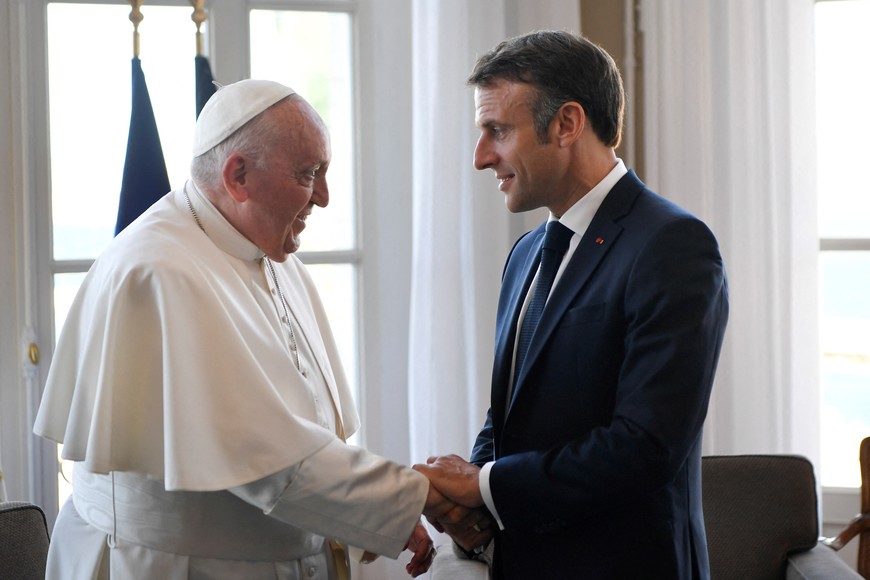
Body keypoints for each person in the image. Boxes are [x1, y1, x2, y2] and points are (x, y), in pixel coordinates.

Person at [33, 79, 456, 579]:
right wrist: (407, 500)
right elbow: (266, 457)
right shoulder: (161, 271)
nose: (323, 196)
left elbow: (310, 422)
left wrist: (375, 512)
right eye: (309, 173)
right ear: (238, 176)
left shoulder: (263, 244)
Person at [415, 31, 729, 579]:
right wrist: (477, 505)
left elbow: (645, 447)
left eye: (497, 131)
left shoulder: (672, 245)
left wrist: (483, 484)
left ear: (566, 124)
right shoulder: (526, 252)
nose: (480, 157)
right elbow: (510, 413)